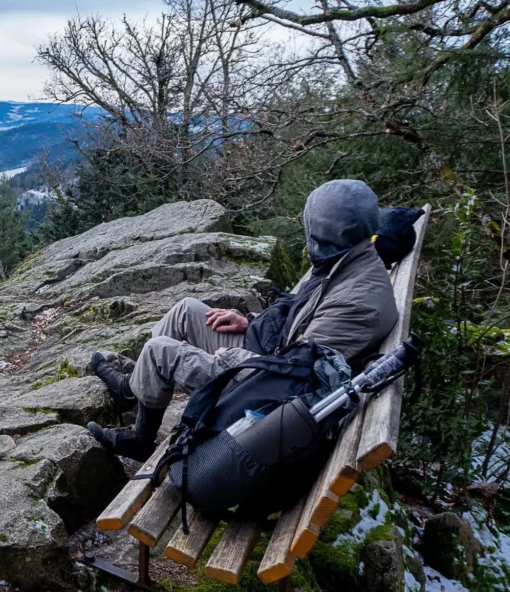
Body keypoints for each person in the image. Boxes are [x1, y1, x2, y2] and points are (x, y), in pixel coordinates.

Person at [87, 180, 400, 460]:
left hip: (262, 388)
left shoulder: (356, 301)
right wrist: (251, 321)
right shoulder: (345, 261)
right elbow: (299, 315)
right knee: (186, 310)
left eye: (311, 227)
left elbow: (296, 378)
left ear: (326, 231)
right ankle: (131, 390)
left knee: (160, 351)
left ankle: (140, 439)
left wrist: (233, 358)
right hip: (269, 354)